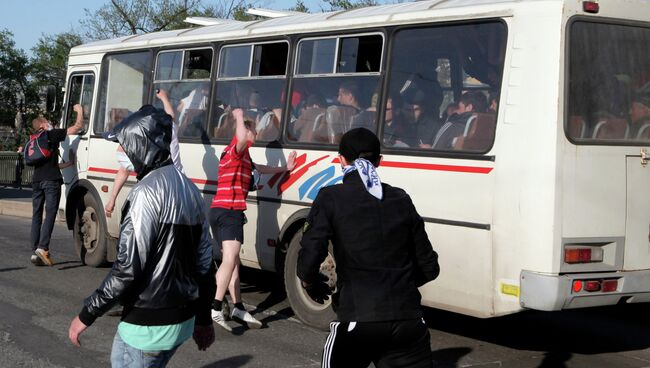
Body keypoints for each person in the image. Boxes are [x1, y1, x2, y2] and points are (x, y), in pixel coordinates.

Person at [68, 105, 216, 367]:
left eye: (124, 145)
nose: (120, 152)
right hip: (179, 320)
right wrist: (203, 320)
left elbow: (127, 270)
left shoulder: (146, 194)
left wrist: (86, 314)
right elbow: (205, 265)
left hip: (148, 325)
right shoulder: (190, 189)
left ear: (141, 145)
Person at [298, 128, 440, 368]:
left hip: (358, 318)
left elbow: (310, 256)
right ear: (379, 161)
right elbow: (430, 267)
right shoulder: (401, 198)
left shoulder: (331, 197)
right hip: (409, 321)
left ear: (341, 160)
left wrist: (310, 281)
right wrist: (396, 285)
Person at [210, 108, 297, 331]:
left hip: (222, 211)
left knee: (234, 264)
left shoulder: (243, 157)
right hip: (229, 211)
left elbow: (261, 168)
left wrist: (285, 168)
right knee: (230, 259)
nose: (256, 135)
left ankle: (238, 306)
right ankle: (216, 307)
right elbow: (240, 137)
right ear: (245, 132)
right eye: (253, 131)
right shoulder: (236, 149)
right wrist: (239, 116)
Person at [104, 89, 183, 217]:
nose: (121, 148)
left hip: (167, 192)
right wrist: (112, 199)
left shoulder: (157, 140)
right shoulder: (165, 132)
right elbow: (123, 170)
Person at [29, 104, 84, 266]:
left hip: (37, 181)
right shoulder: (50, 134)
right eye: (47, 122)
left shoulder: (34, 139)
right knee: (51, 214)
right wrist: (79, 111)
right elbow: (77, 128)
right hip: (51, 181)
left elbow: (49, 163)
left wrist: (68, 164)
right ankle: (43, 247)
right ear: (42, 125)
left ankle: (35, 250)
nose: (50, 123)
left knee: (36, 215)